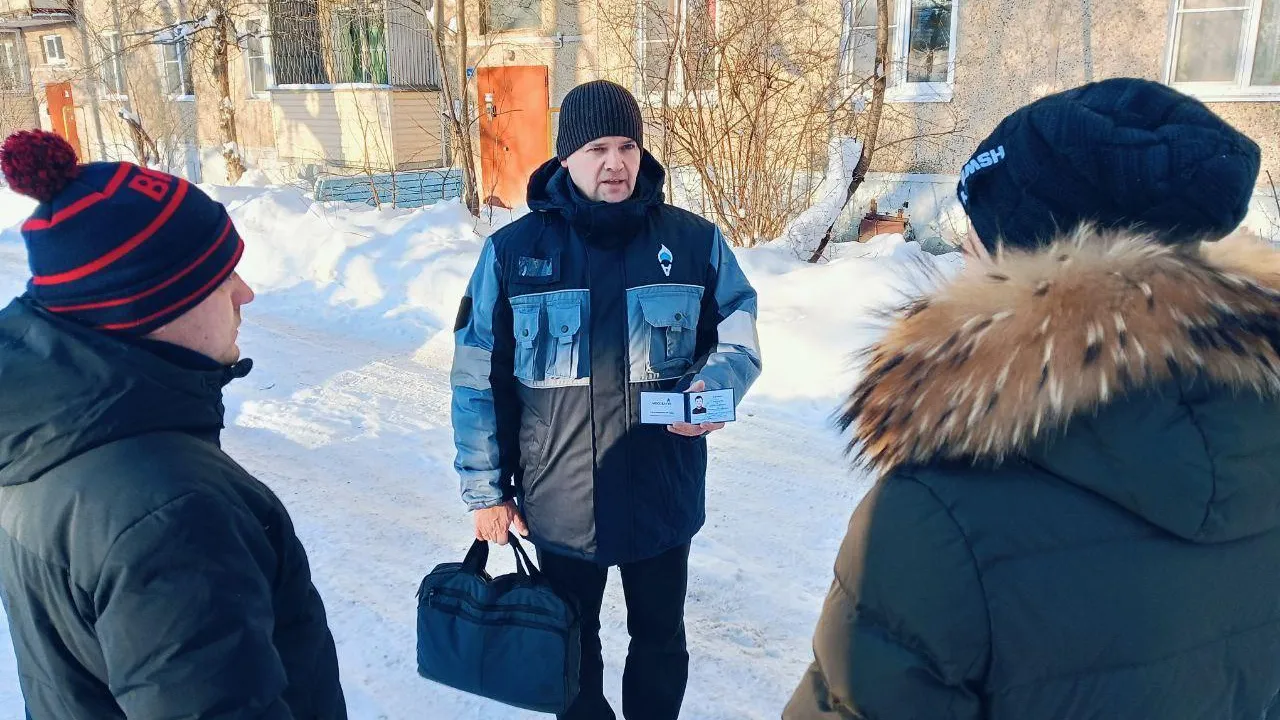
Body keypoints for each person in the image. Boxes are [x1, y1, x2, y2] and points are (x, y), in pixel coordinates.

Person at [785, 78, 1279, 719]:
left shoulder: (941, 516)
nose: (957, 272)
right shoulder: (1261, 447)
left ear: (1021, 274)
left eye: (972, 246)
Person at [0, 130, 346, 718]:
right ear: (150, 306)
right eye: (221, 277)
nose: (245, 294)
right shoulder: (170, 513)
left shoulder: (45, 434)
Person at [451, 79, 762, 720]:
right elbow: (478, 376)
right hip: (560, 501)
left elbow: (738, 331)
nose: (616, 163)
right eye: (597, 148)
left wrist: (714, 388)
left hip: (662, 492)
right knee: (570, 647)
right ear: (566, 156)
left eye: (627, 146)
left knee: (660, 641)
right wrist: (486, 491)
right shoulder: (512, 254)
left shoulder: (694, 243)